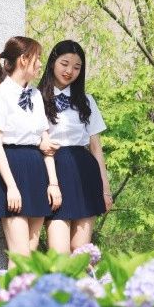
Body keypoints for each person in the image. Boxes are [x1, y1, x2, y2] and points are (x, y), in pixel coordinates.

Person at [0, 36, 62, 260]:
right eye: (37, 58)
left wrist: (53, 183)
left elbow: (44, 140)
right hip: (11, 169)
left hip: (36, 169)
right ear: (23, 59)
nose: (40, 64)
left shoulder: (35, 95)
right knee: (20, 255)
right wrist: (11, 186)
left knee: (30, 253)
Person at [38, 40, 113, 254]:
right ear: (53, 62)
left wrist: (105, 190)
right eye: (65, 64)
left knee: (81, 250)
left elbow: (96, 148)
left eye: (77, 67)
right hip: (53, 170)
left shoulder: (87, 101)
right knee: (59, 251)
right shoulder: (36, 98)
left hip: (84, 172)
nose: (70, 71)